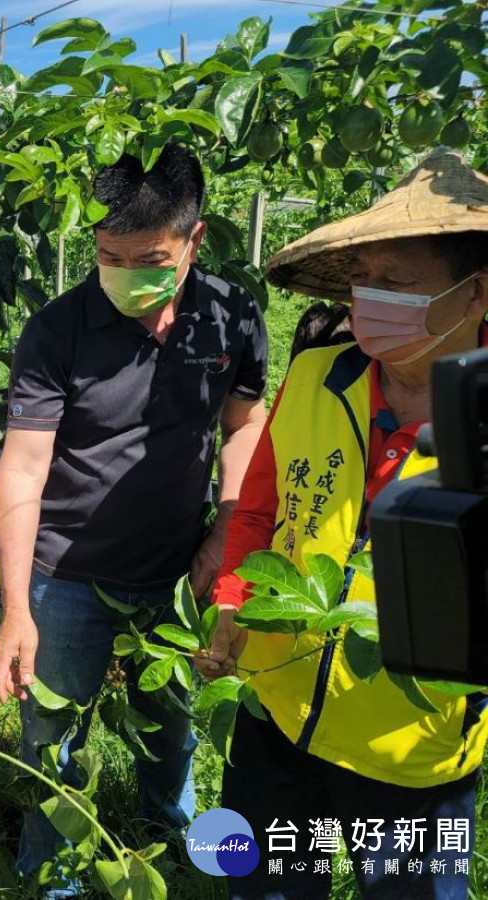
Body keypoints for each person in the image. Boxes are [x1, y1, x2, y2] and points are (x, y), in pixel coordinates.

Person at [201, 150, 488, 899]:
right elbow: (259, 511)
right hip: (278, 709)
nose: (369, 300)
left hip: (411, 746)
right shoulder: (315, 378)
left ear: (474, 294)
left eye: (395, 283)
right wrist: (233, 602)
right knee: (261, 887)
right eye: (363, 279)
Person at [0, 144, 269, 888]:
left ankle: (174, 854)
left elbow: (245, 424)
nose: (123, 276)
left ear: (195, 240)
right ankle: (53, 875)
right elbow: (22, 465)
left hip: (176, 572)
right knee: (52, 737)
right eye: (107, 254)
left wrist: (227, 530)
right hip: (66, 574)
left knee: (171, 730)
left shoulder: (230, 317)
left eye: (147, 258)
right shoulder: (59, 328)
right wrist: (16, 605)